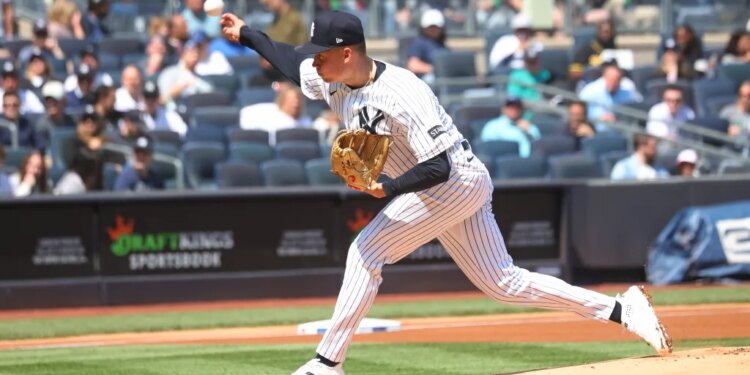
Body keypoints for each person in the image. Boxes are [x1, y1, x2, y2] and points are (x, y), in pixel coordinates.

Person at [220, 11, 672, 374]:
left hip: (455, 180)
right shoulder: (332, 77)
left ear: (346, 53)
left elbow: (441, 164)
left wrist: (390, 187)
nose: (313, 61)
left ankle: (327, 362)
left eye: (321, 53)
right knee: (504, 284)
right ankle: (622, 309)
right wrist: (246, 34)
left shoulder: (404, 91)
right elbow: (287, 61)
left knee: (365, 252)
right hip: (448, 185)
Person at [240, 82, 311, 144]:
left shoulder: (306, 121)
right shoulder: (268, 113)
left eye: (298, 101)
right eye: (291, 101)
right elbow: (245, 113)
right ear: (283, 101)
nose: (295, 104)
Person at [578, 61, 642, 131]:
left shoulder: (627, 93)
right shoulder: (590, 91)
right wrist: (598, 118)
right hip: (594, 130)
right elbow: (579, 112)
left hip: (621, 131)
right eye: (611, 79)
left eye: (616, 80)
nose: (613, 83)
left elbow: (638, 106)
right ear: (604, 77)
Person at [157, 39, 214, 108]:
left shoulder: (202, 77)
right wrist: (182, 86)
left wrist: (196, 82)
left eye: (197, 52)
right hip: (174, 113)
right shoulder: (169, 73)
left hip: (197, 112)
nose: (195, 55)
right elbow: (162, 99)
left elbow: (210, 95)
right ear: (183, 54)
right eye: (191, 51)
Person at [62, 105, 105, 192]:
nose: (90, 123)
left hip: (97, 187)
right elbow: (71, 161)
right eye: (86, 120)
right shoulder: (73, 141)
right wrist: (88, 147)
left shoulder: (104, 141)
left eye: (93, 120)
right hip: (76, 183)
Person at [406, 9, 448, 83]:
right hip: (426, 82)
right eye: (430, 27)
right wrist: (434, 69)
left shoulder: (441, 44)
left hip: (443, 79)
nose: (433, 29)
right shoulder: (419, 42)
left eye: (436, 27)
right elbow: (413, 65)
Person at [36, 80, 76, 149]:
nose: (51, 105)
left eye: (55, 101)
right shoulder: (42, 126)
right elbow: (42, 148)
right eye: (48, 102)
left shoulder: (70, 121)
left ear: (64, 102)